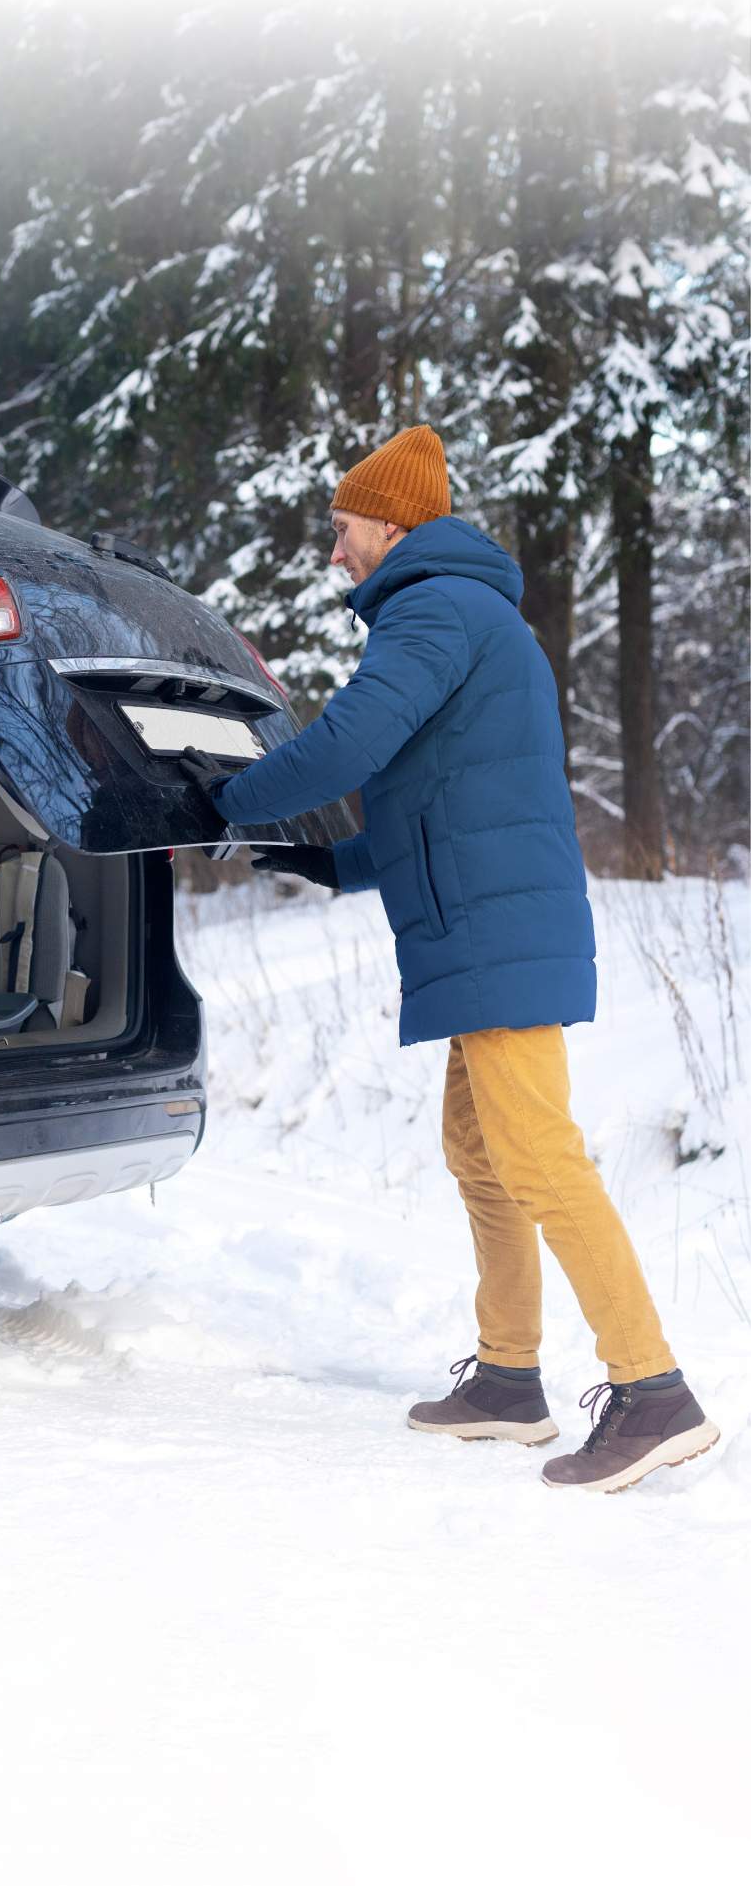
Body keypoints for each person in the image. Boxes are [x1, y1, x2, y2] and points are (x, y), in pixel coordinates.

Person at [179, 423, 719, 1494]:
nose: (334, 552)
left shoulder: (433, 608)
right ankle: (510, 1378)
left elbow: (348, 742)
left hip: (495, 928)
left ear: (392, 523)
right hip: (484, 921)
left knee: (538, 1154)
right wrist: (328, 866)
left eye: (342, 529)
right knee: (481, 1151)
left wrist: (223, 800)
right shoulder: (469, 617)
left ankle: (652, 1386)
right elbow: (437, 805)